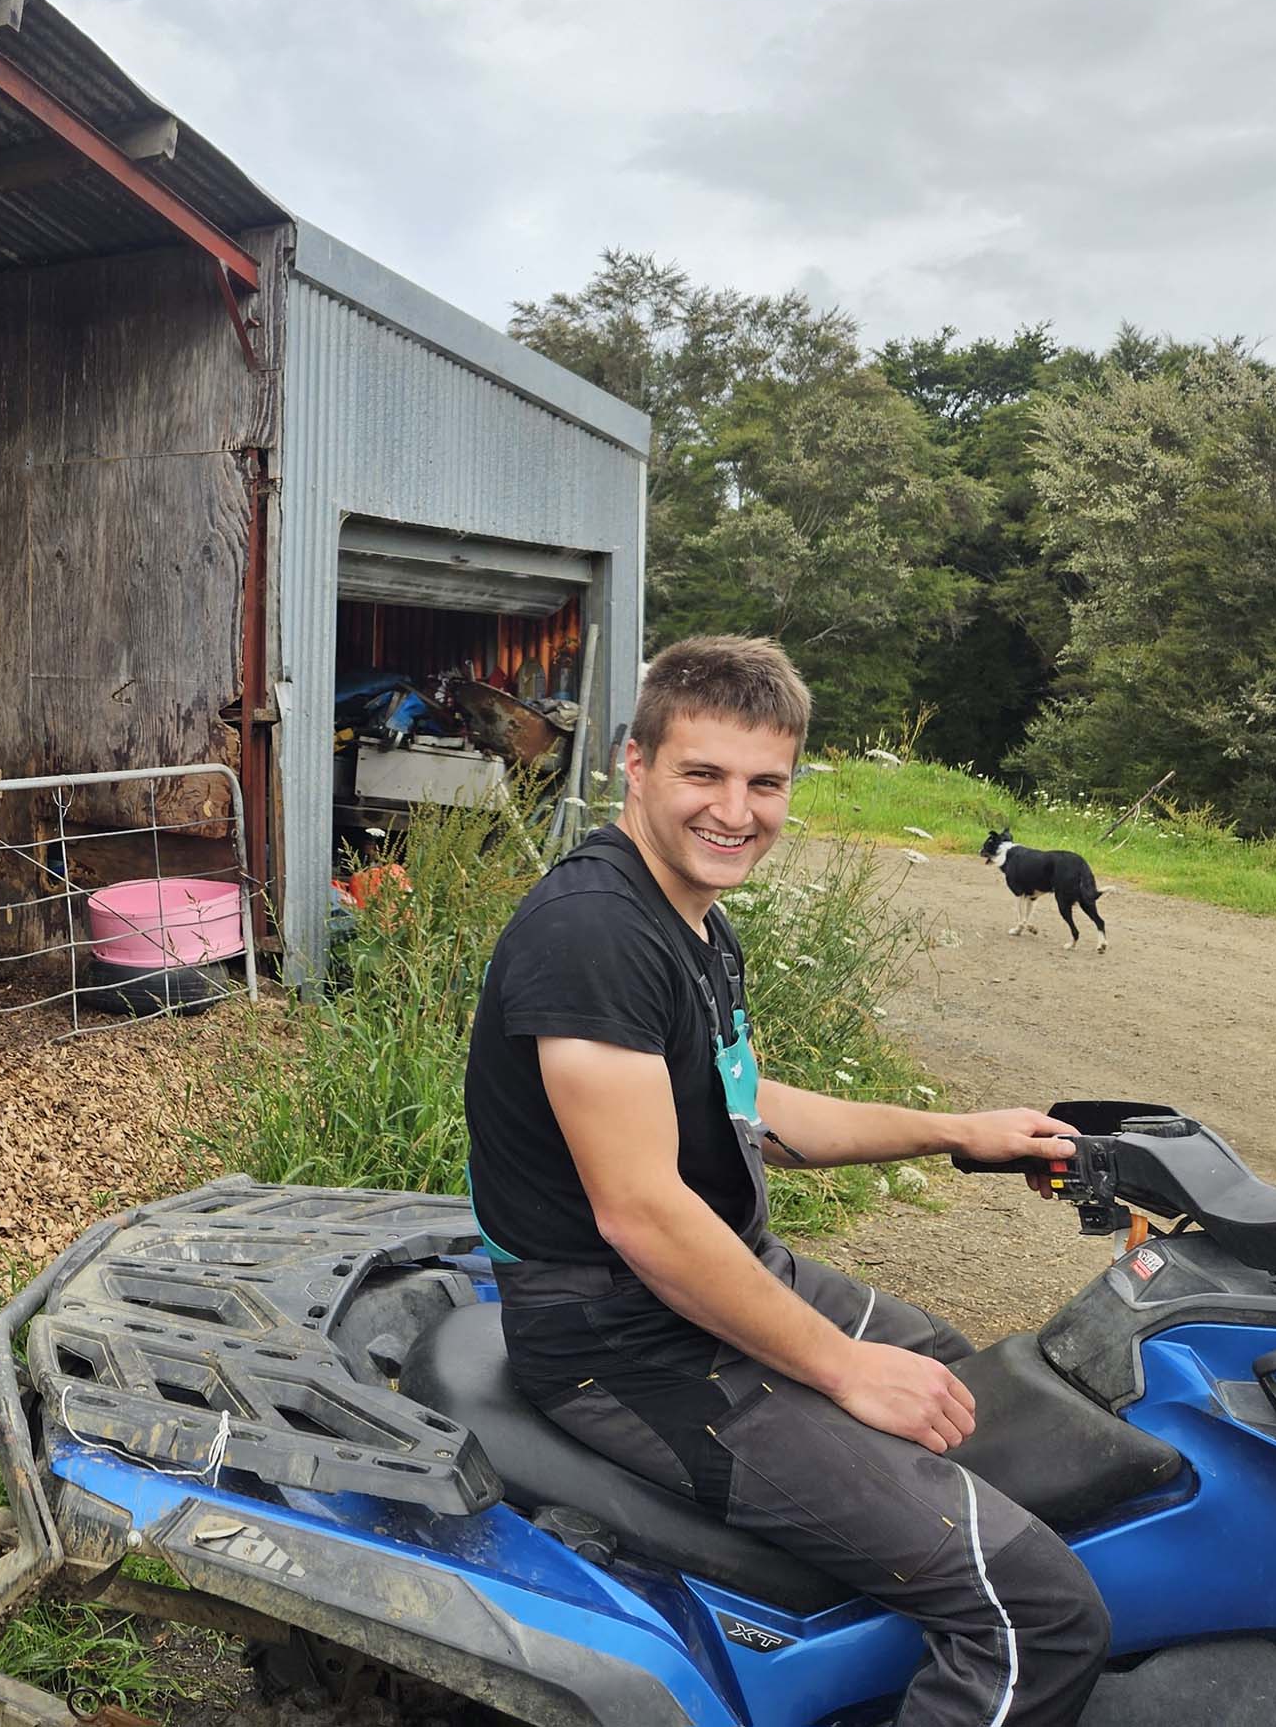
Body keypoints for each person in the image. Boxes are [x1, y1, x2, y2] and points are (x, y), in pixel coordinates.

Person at [465, 635, 1110, 1727]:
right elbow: (642, 1212)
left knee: (961, 1387)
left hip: (710, 1280)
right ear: (635, 763)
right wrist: (843, 1368)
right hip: (623, 1342)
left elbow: (748, 1105)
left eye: (765, 783)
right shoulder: (592, 934)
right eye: (702, 774)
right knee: (1040, 1614)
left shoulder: (690, 915)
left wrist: (956, 1129)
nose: (736, 811)